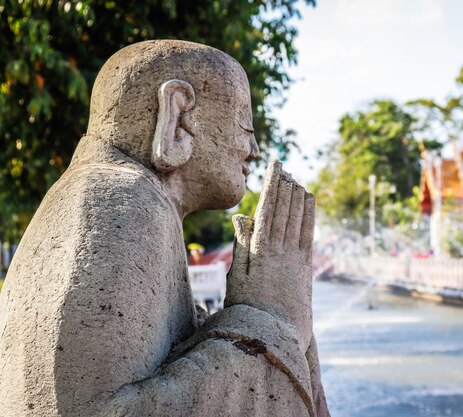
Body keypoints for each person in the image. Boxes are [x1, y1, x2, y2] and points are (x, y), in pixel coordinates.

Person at [0, 40, 328, 417]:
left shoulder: (112, 196)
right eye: (243, 123)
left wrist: (255, 317)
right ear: (177, 112)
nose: (252, 148)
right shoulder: (121, 200)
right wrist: (269, 319)